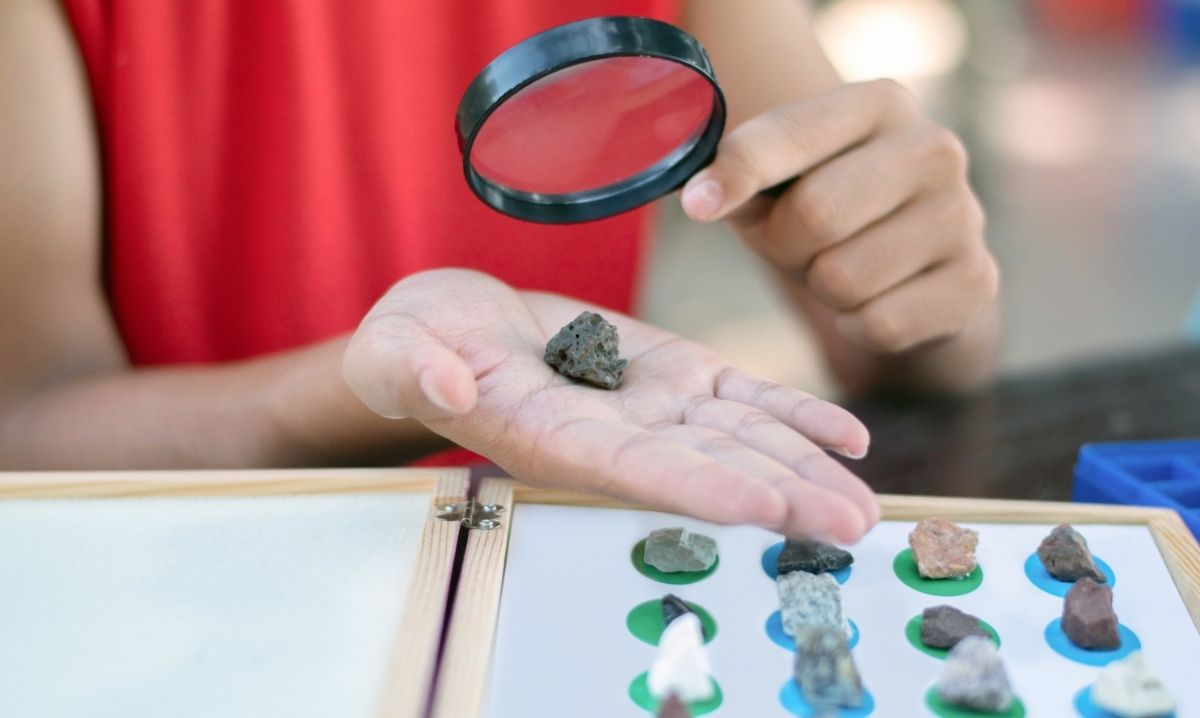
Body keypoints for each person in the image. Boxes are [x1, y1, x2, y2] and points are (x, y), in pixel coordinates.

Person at [0, 0, 997, 542]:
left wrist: (921, 279)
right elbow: (25, 418)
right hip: (203, 585)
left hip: (565, 563)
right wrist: (372, 387)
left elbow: (927, 352)